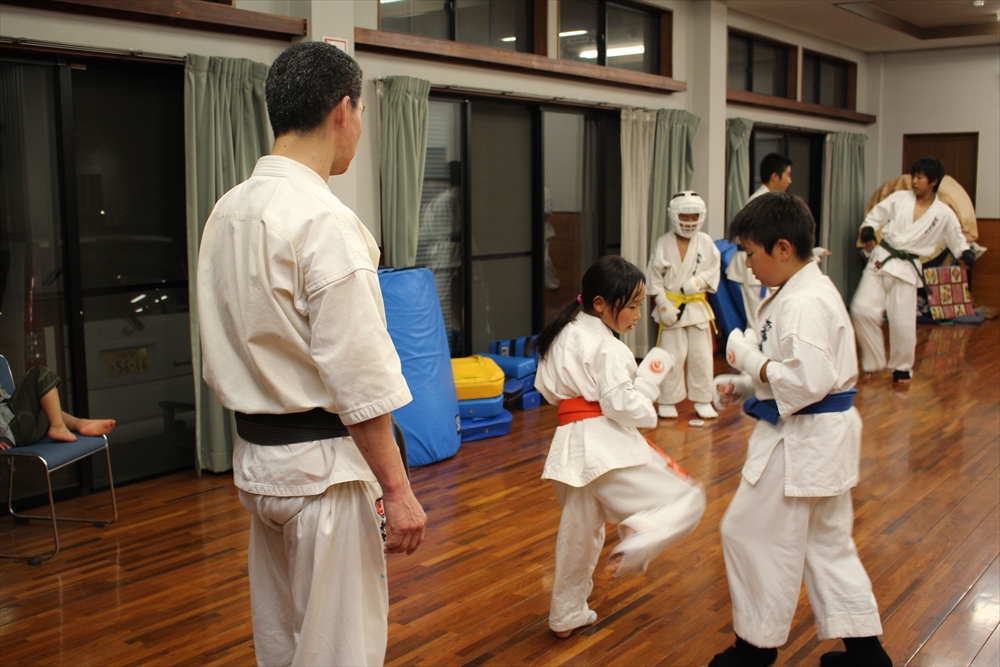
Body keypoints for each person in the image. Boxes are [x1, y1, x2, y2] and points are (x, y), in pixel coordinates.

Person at [197, 41, 426, 667]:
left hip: (261, 466)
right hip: (324, 477)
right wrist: (397, 490)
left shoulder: (227, 212)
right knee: (340, 651)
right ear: (343, 110)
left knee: (283, 642)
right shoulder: (324, 221)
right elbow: (359, 375)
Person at [708, 193, 890, 667]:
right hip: (820, 433)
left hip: (805, 438)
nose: (748, 265)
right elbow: (799, 371)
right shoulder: (799, 291)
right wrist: (746, 383)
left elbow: (807, 381)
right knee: (825, 543)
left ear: (783, 248)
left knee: (746, 532)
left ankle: (754, 650)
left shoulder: (804, 300)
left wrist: (747, 357)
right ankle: (867, 655)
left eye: (751, 253)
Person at [533, 255, 706, 639]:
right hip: (603, 445)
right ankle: (641, 531)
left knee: (581, 534)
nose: (637, 315)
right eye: (631, 306)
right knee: (689, 498)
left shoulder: (562, 333)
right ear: (600, 304)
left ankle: (566, 613)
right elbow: (623, 407)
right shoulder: (607, 347)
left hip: (570, 448)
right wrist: (648, 391)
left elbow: (547, 391)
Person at [851, 156, 974, 383]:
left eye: (920, 177)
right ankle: (873, 360)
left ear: (933, 181)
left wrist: (965, 254)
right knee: (861, 309)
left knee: (902, 323)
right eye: (914, 176)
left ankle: (902, 367)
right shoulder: (898, 198)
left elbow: (957, 239)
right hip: (882, 260)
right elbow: (874, 217)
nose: (914, 181)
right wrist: (868, 229)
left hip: (907, 268)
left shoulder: (943, 213)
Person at [646, 191, 721, 420]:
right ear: (674, 216)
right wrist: (663, 304)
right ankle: (668, 399)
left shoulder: (705, 242)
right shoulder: (664, 243)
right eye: (684, 216)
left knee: (701, 356)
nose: (689, 221)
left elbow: (714, 269)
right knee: (671, 355)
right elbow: (654, 278)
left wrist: (698, 281)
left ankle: (703, 399)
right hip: (672, 307)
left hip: (696, 308)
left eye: (693, 216)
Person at [727, 153, 793, 330]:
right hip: (755, 264)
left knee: (767, 317)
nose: (790, 180)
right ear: (774, 176)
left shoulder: (771, 201)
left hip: (763, 263)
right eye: (787, 174)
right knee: (759, 319)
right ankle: (753, 356)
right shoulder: (760, 203)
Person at [0, 365, 115, 449]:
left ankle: (78, 423)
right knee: (40, 374)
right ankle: (58, 427)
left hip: (21, 429)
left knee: (44, 402)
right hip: (13, 429)